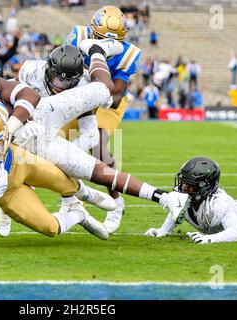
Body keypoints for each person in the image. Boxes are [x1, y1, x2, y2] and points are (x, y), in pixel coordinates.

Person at [0, 41, 190, 243]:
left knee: (103, 95)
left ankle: (97, 50)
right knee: (79, 177)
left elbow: (27, 95)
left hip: (41, 115)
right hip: (15, 153)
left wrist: (14, 125)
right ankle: (79, 197)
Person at [0, 100, 110, 242]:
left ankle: (83, 193)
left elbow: (22, 101)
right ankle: (79, 215)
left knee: (64, 183)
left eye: (1, 139)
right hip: (7, 191)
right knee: (50, 228)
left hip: (18, 159)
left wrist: (26, 121)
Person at [64, 6, 142, 231]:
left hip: (107, 99)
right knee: (48, 139)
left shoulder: (128, 54)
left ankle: (116, 201)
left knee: (98, 143)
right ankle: (69, 199)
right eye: (98, 38)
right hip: (76, 94)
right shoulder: (78, 36)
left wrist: (96, 87)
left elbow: (115, 97)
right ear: (92, 32)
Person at [144, 145, 237, 244]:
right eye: (182, 182)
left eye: (188, 185)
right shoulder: (187, 198)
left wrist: (208, 239)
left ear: (204, 186)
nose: (182, 187)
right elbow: (176, 214)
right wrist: (162, 231)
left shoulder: (220, 204)